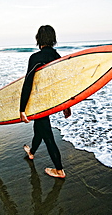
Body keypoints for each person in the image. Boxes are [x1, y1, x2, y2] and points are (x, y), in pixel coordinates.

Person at [20, 25, 71, 178]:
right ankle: (32, 152)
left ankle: (59, 170)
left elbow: (28, 83)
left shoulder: (35, 58)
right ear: (53, 39)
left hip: (39, 103)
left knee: (47, 136)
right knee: (40, 129)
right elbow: (61, 84)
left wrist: (22, 109)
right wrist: (66, 105)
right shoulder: (57, 57)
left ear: (38, 39)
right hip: (52, 102)